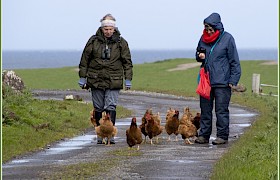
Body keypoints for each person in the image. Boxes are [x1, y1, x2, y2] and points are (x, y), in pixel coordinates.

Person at [78, 13, 133, 144]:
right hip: (95, 79)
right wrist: (82, 77)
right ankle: (99, 134)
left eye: (110, 29)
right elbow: (84, 59)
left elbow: (127, 61)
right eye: (106, 29)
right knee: (98, 107)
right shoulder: (93, 41)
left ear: (114, 29)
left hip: (114, 79)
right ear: (102, 28)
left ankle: (110, 134)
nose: (108, 31)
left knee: (111, 107)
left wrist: (128, 79)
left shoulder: (121, 43)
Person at [194, 13, 241, 145]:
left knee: (221, 110)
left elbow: (234, 61)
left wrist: (233, 80)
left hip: (223, 82)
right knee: (205, 110)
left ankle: (222, 136)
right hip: (206, 81)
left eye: (210, 29)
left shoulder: (228, 38)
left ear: (217, 27)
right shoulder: (203, 38)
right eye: (206, 29)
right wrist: (200, 56)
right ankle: (203, 136)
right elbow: (197, 55)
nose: (208, 32)